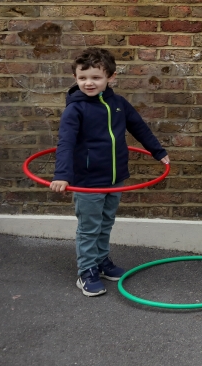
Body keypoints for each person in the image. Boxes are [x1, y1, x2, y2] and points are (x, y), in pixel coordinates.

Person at [51, 47, 170, 297]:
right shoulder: (75, 109)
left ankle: (102, 262)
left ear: (110, 77)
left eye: (96, 77)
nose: (89, 83)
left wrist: (158, 151)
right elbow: (66, 143)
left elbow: (139, 127)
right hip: (88, 181)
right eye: (83, 78)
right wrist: (62, 175)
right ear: (75, 78)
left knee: (105, 223)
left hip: (115, 178)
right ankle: (86, 271)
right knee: (89, 227)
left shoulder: (118, 104)